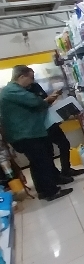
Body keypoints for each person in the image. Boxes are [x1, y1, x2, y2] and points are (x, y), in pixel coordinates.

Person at [0, 65, 72, 201]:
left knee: (37, 163)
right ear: (21, 76)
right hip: (25, 134)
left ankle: (43, 191)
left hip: (26, 133)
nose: (32, 82)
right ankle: (51, 192)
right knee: (42, 161)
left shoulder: (11, 90)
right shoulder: (12, 90)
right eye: (31, 78)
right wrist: (46, 100)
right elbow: (35, 102)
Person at [27, 70, 84, 178]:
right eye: (30, 77)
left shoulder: (35, 86)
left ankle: (66, 170)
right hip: (40, 125)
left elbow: (46, 102)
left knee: (64, 144)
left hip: (50, 120)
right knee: (48, 151)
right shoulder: (23, 93)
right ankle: (55, 175)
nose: (32, 79)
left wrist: (54, 96)